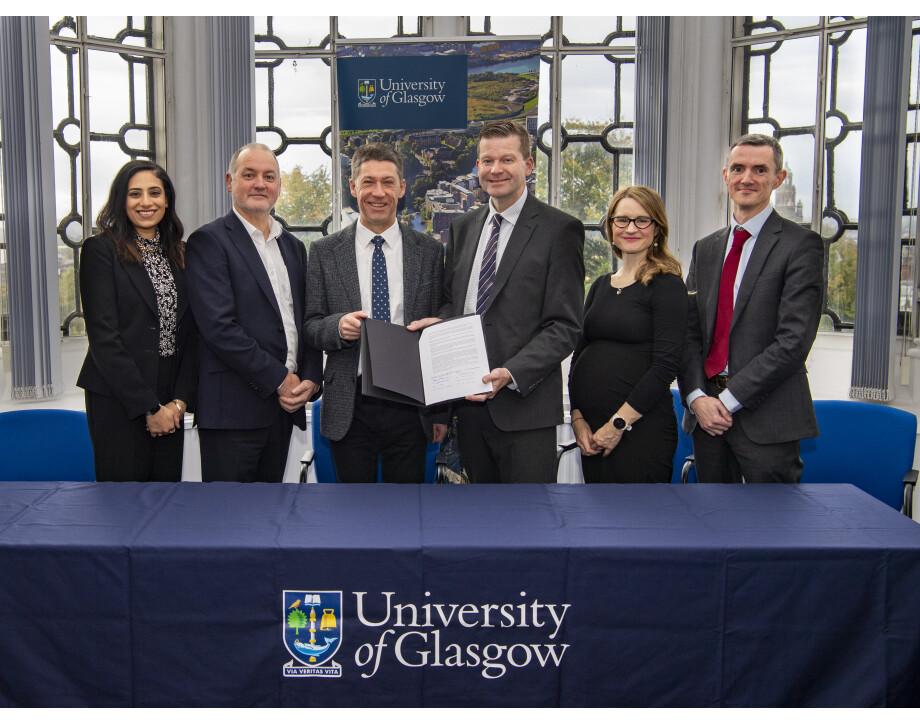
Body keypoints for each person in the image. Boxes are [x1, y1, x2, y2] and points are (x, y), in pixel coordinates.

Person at [427, 120, 585, 483]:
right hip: (468, 410)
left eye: (507, 159)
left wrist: (510, 373)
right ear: (477, 167)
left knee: (528, 527)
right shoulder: (463, 227)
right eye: (486, 161)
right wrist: (438, 326)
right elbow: (455, 303)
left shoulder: (560, 229)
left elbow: (565, 326)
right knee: (478, 526)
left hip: (525, 411)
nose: (495, 169)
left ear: (528, 166)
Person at [678, 133, 823, 483]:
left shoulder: (801, 245)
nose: (747, 178)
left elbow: (793, 341)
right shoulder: (707, 248)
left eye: (760, 170)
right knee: (711, 528)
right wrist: (697, 397)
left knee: (771, 531)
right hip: (706, 418)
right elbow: (688, 332)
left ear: (778, 179)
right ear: (726, 175)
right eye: (738, 169)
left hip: (768, 416)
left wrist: (728, 400)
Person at [304, 143, 445, 482]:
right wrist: (338, 327)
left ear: (402, 188)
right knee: (354, 518)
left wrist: (442, 411)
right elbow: (311, 324)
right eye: (368, 182)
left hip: (411, 404)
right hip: (349, 403)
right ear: (352, 187)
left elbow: (441, 325)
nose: (378, 192)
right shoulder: (323, 252)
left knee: (409, 513)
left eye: (387, 182)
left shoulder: (430, 251)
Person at [185, 142, 322, 483]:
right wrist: (280, 379)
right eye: (249, 175)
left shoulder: (292, 246)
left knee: (270, 518)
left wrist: (309, 378)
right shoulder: (209, 241)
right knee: (230, 523)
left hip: (282, 410)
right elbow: (219, 328)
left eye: (269, 176)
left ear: (278, 186)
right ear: (230, 182)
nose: (260, 183)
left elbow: (303, 319)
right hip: (232, 411)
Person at [77, 160, 197, 482]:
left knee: (165, 502)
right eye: (135, 194)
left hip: (170, 399)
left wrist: (178, 402)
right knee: (124, 506)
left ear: (167, 200)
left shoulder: (182, 254)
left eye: (155, 193)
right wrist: (149, 408)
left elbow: (192, 334)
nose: (146, 202)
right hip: (118, 397)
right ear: (121, 200)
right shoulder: (100, 250)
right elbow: (104, 338)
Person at [569, 186, 687, 483]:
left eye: (642, 220)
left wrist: (617, 425)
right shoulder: (599, 285)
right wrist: (578, 419)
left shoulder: (667, 285)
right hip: (592, 432)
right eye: (622, 220)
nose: (630, 228)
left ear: (657, 228)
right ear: (610, 227)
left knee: (639, 525)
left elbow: (665, 367)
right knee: (599, 525)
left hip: (640, 432)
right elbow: (578, 355)